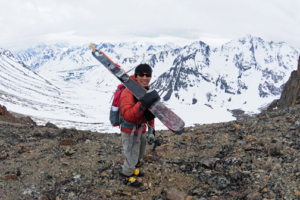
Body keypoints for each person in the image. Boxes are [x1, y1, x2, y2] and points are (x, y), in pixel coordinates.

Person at [118, 63, 160, 187]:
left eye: (148, 75)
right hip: (129, 131)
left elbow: (150, 113)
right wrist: (143, 102)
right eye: (141, 75)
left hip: (142, 129)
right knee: (131, 155)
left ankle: (133, 169)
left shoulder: (146, 90)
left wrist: (152, 131)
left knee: (140, 154)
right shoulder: (128, 92)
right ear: (136, 76)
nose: (145, 78)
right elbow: (127, 115)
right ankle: (126, 174)